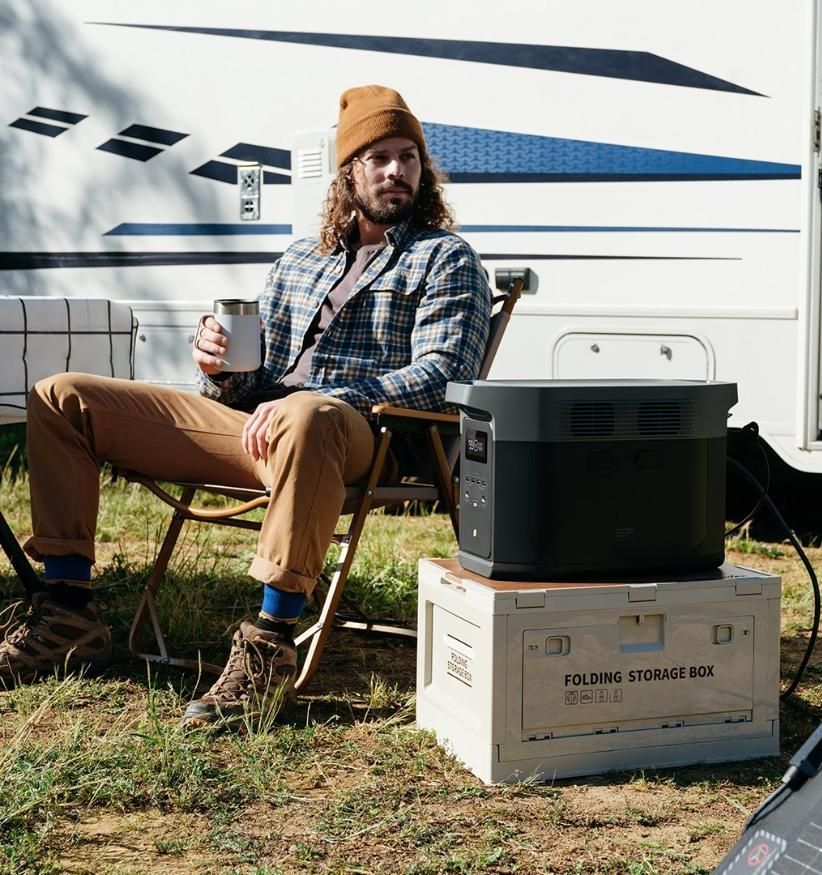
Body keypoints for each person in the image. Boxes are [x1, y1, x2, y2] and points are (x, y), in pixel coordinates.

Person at [0, 85, 492, 727]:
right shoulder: (301, 260)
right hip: (265, 432)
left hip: (365, 438)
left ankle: (269, 646)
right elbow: (254, 382)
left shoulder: (444, 258)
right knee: (63, 396)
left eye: (408, 156)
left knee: (304, 415)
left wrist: (325, 398)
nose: (396, 170)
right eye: (378, 157)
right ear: (350, 170)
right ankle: (67, 611)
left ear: (424, 170)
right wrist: (219, 369)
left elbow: (443, 375)